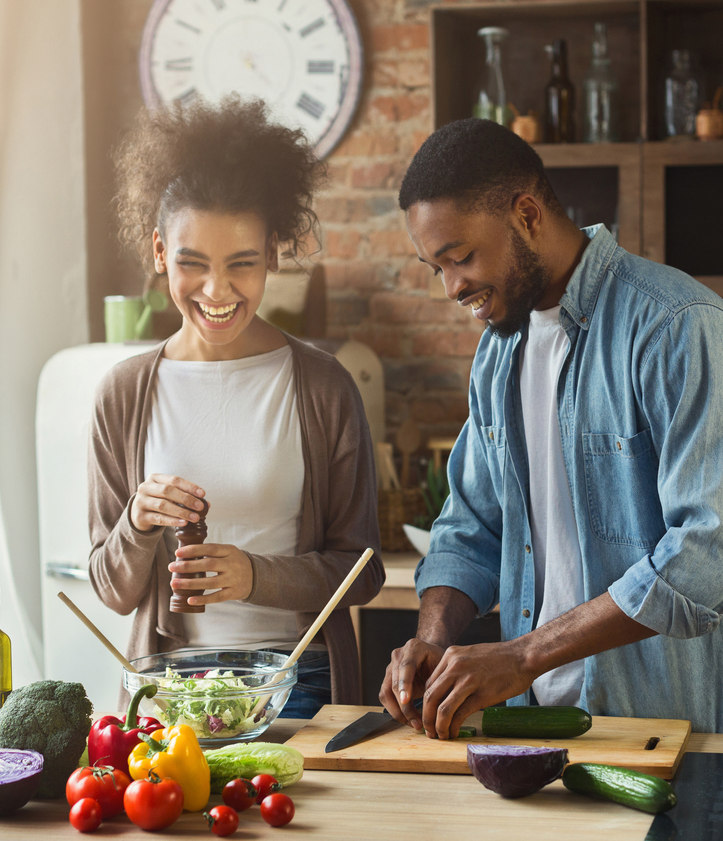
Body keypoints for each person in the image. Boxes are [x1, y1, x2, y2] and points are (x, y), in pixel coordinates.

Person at [380, 117, 722, 737]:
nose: (454, 287)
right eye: (437, 268)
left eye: (461, 258)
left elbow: (706, 551)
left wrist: (524, 654)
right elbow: (471, 525)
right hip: (528, 724)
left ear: (528, 215)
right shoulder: (497, 353)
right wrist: (431, 638)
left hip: (654, 726)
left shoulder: (676, 326)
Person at [88, 96, 384, 716]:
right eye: (192, 264)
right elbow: (111, 590)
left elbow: (364, 571)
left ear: (273, 252)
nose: (217, 292)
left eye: (242, 265)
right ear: (160, 252)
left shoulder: (324, 387)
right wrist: (138, 524)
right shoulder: (122, 394)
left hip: (298, 685)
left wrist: (256, 576)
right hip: (168, 690)